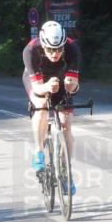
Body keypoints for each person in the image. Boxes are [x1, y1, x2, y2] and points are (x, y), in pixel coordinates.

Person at [23, 20, 81, 193]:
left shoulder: (72, 49)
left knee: (66, 124)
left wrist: (72, 86)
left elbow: (75, 86)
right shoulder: (30, 50)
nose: (55, 54)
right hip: (38, 80)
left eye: (58, 49)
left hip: (61, 79)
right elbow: (37, 88)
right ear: (43, 44)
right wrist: (47, 87)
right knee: (41, 105)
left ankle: (65, 171)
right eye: (49, 49)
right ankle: (38, 151)